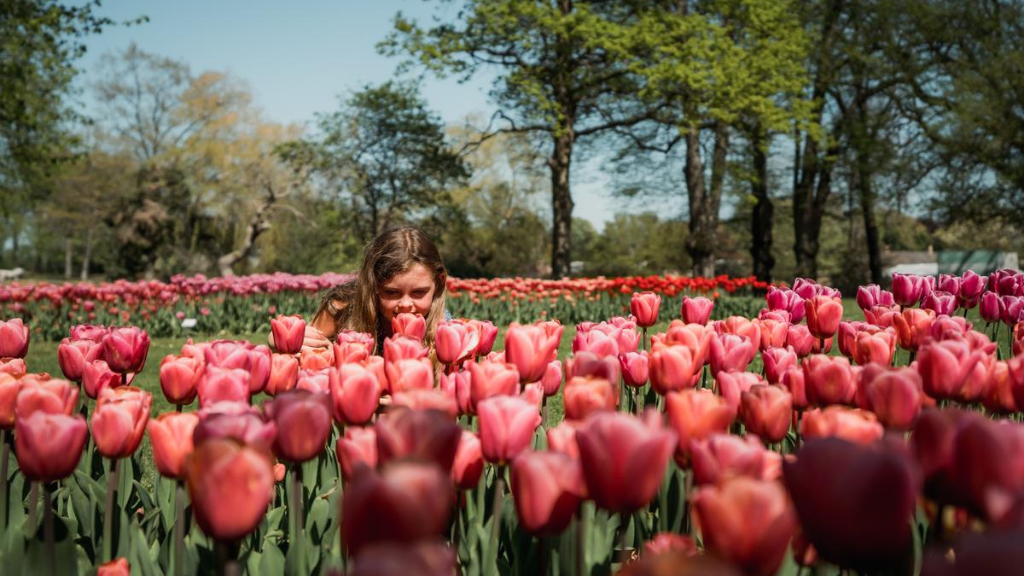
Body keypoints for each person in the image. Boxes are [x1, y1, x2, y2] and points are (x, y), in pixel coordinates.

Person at [295, 225, 449, 353]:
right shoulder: (342, 309)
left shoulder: (446, 329)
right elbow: (307, 353)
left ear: (439, 282)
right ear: (372, 285)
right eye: (391, 292)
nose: (405, 304)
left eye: (419, 292)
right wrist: (288, 343)